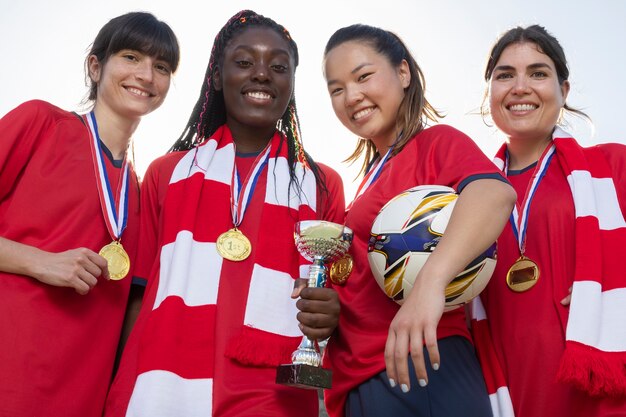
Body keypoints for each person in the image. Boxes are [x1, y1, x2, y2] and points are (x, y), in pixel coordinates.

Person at [104, 9, 345, 417]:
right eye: (245, 62)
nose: (262, 74)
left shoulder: (323, 184)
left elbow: (337, 289)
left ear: (291, 84)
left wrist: (332, 310)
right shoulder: (168, 172)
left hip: (271, 391)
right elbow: (140, 293)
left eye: (279, 66)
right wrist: (123, 384)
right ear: (217, 77)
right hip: (162, 382)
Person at [321, 24, 516, 417]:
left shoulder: (434, 143)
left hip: (423, 363)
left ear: (404, 73)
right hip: (361, 376)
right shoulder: (364, 181)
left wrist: (429, 286)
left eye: (363, 76)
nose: (351, 96)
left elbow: (496, 194)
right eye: (336, 88)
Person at [0, 11, 179, 417]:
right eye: (132, 57)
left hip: (83, 397)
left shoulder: (139, 190)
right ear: (96, 66)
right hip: (9, 378)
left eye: (162, 66)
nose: (147, 75)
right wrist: (39, 261)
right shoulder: (40, 123)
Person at [473, 24, 626, 417]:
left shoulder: (612, 167)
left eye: (538, 73)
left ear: (564, 91)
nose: (520, 87)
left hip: (594, 385)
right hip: (504, 381)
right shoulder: (468, 192)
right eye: (505, 75)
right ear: (489, 91)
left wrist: (611, 283)